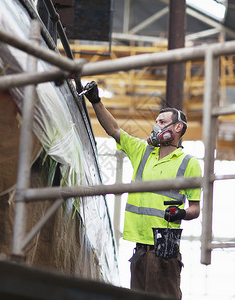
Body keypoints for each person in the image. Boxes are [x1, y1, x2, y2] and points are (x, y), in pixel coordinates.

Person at [83, 81, 202, 299]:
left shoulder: (189, 163)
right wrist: (96, 101)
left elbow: (195, 208)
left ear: (178, 128)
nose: (156, 126)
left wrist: (181, 213)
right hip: (139, 251)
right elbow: (114, 130)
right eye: (156, 121)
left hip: (165, 251)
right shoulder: (143, 152)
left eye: (162, 122)